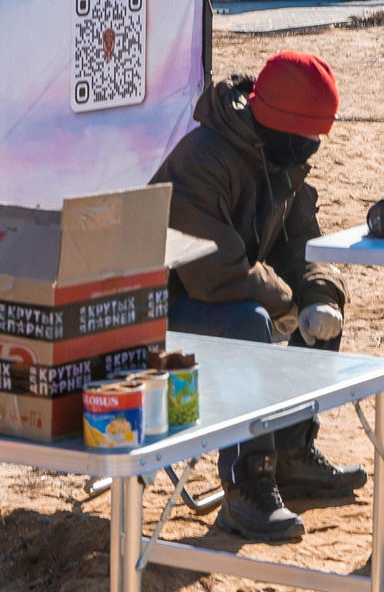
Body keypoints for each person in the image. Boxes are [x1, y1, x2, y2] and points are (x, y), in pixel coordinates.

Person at [150, 49, 364, 543]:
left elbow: (303, 245)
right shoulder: (201, 162)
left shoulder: (277, 155)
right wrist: (288, 305)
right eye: (308, 136)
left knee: (321, 309)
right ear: (281, 124)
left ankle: (289, 454)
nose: (313, 146)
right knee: (251, 321)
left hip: (225, 300)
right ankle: (248, 486)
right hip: (159, 322)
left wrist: (317, 296)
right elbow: (212, 273)